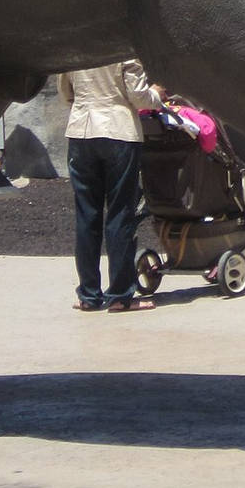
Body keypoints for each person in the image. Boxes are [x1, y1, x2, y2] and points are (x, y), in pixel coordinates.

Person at [58, 56, 162, 312]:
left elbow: (65, 92)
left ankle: (88, 295)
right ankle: (119, 295)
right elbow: (138, 97)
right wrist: (156, 95)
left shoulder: (74, 46)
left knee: (86, 216)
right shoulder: (121, 48)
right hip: (119, 131)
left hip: (81, 131)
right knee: (120, 214)